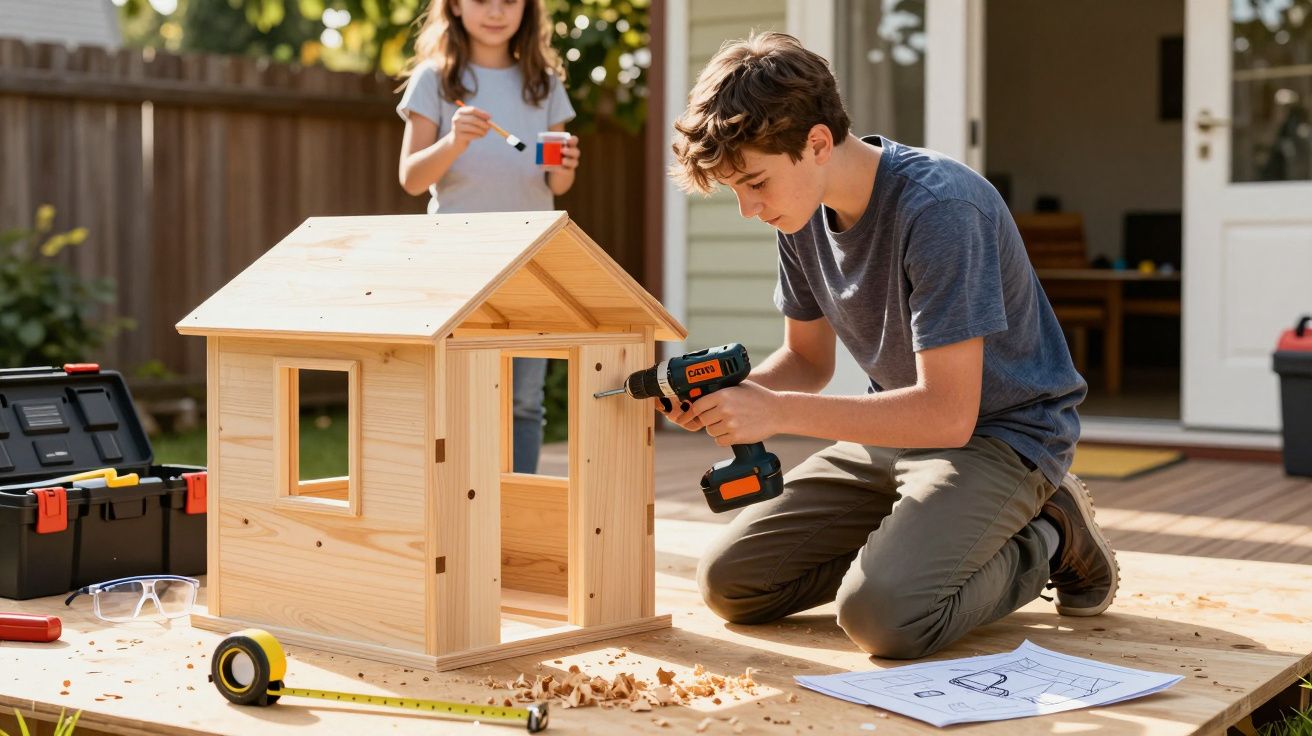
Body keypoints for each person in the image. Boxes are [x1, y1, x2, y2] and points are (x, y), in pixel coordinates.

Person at [663, 32, 1118, 660]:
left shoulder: (941, 209)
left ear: (816, 143)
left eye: (755, 182)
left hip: (1003, 434)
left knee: (883, 619)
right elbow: (808, 362)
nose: (748, 208)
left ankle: (1048, 534)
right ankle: (920, 546)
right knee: (731, 585)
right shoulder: (800, 213)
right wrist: (735, 396)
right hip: (896, 431)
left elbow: (948, 414)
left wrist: (775, 413)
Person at [397, 0, 578, 474]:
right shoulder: (435, 81)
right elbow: (412, 178)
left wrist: (564, 167)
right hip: (458, 262)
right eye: (482, 0)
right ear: (454, 6)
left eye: (510, 1)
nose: (496, 12)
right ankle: (456, 500)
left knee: (523, 399)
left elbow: (555, 185)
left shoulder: (545, 84)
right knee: (457, 391)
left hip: (531, 258)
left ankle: (515, 506)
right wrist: (454, 141)